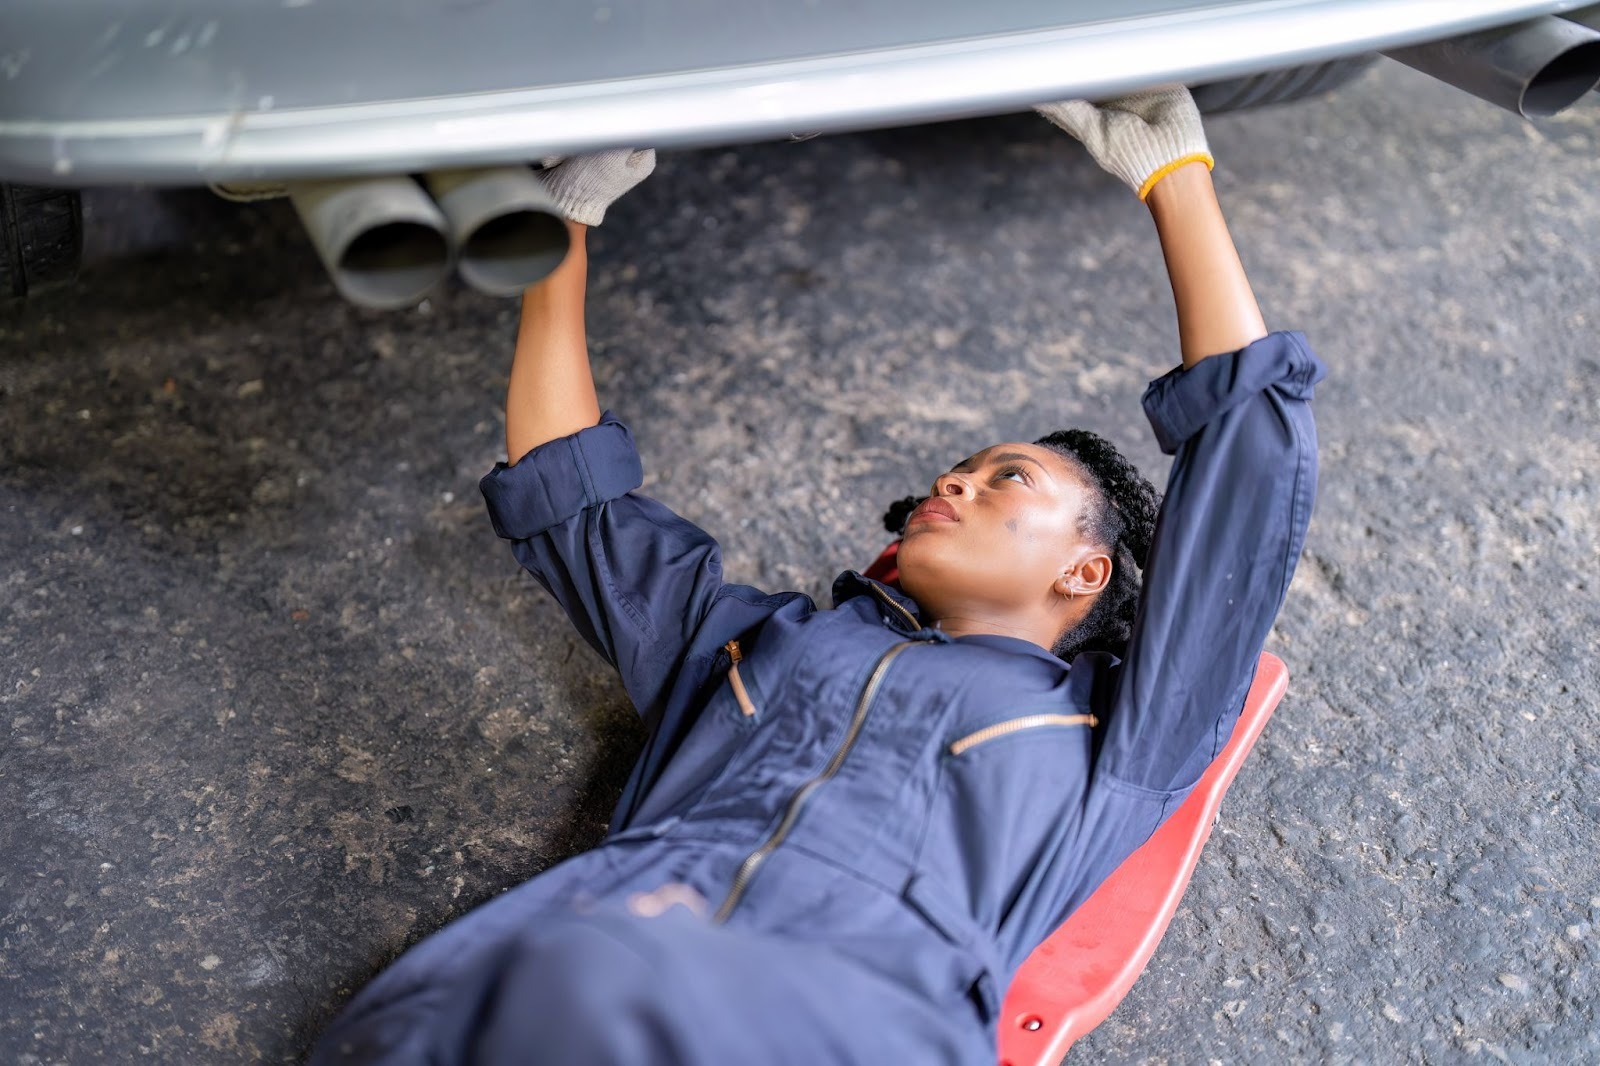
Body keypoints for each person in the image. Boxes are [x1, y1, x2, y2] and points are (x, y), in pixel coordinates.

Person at [311, 88, 1324, 1065]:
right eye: (958, 470)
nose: (952, 481)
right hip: (599, 928)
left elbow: (1249, 467)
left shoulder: (1124, 728)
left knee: (580, 979)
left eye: (1003, 478)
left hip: (864, 996)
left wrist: (1174, 175)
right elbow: (572, 501)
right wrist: (561, 222)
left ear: (1083, 570)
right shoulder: (759, 642)